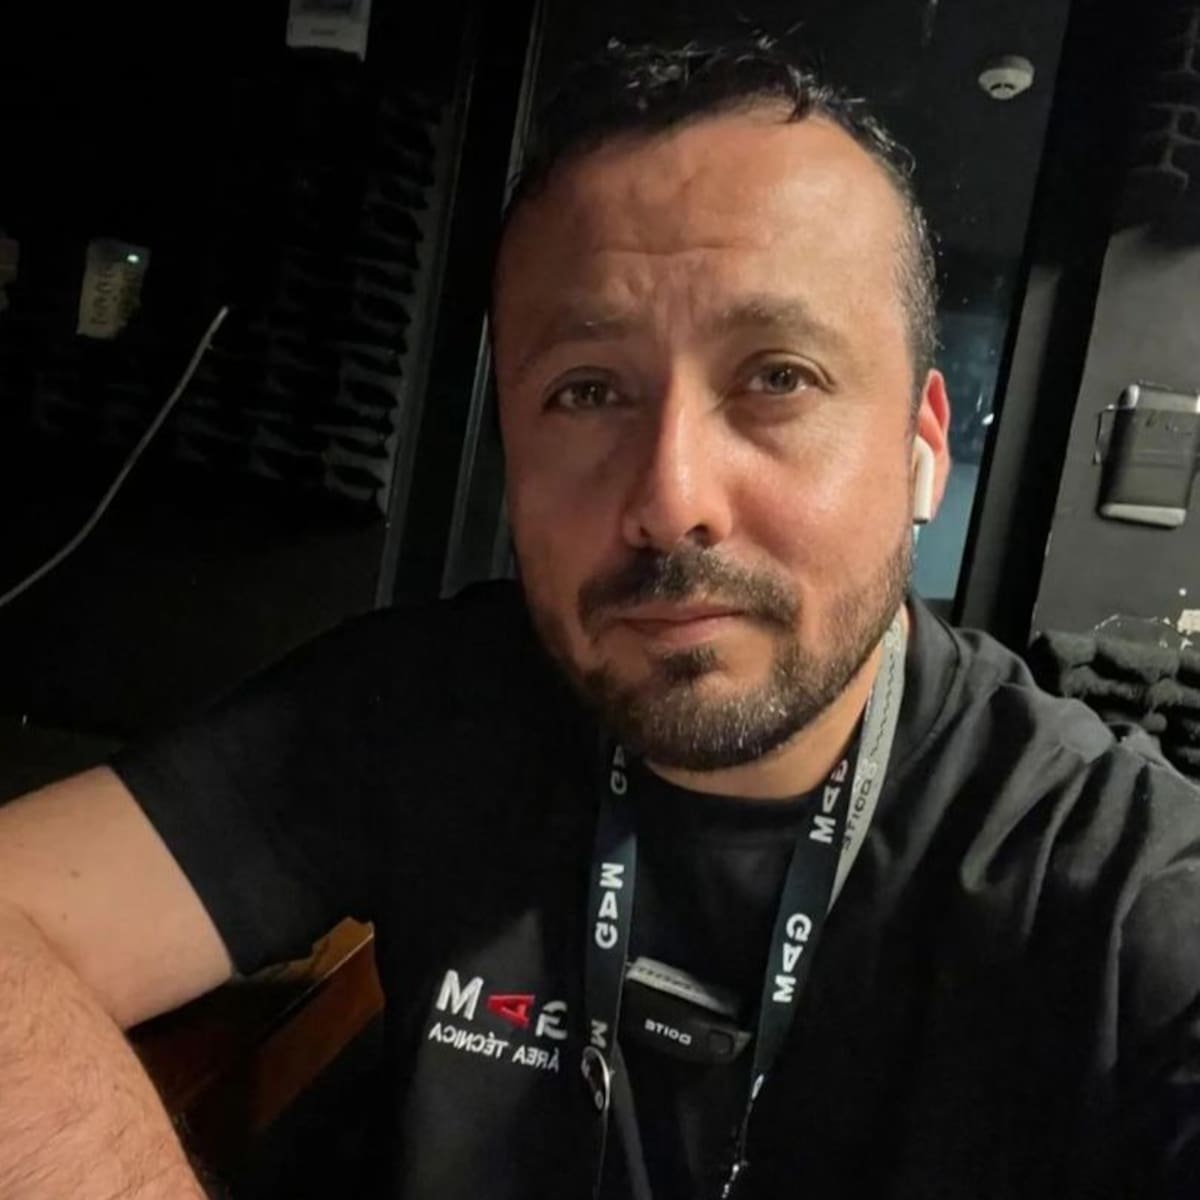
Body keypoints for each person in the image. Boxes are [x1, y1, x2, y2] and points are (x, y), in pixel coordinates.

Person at [1, 37, 1198, 1200]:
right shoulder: (426, 703)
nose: (670, 498)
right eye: (587, 391)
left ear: (921, 448)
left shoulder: (1116, 881)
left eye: (778, 377)